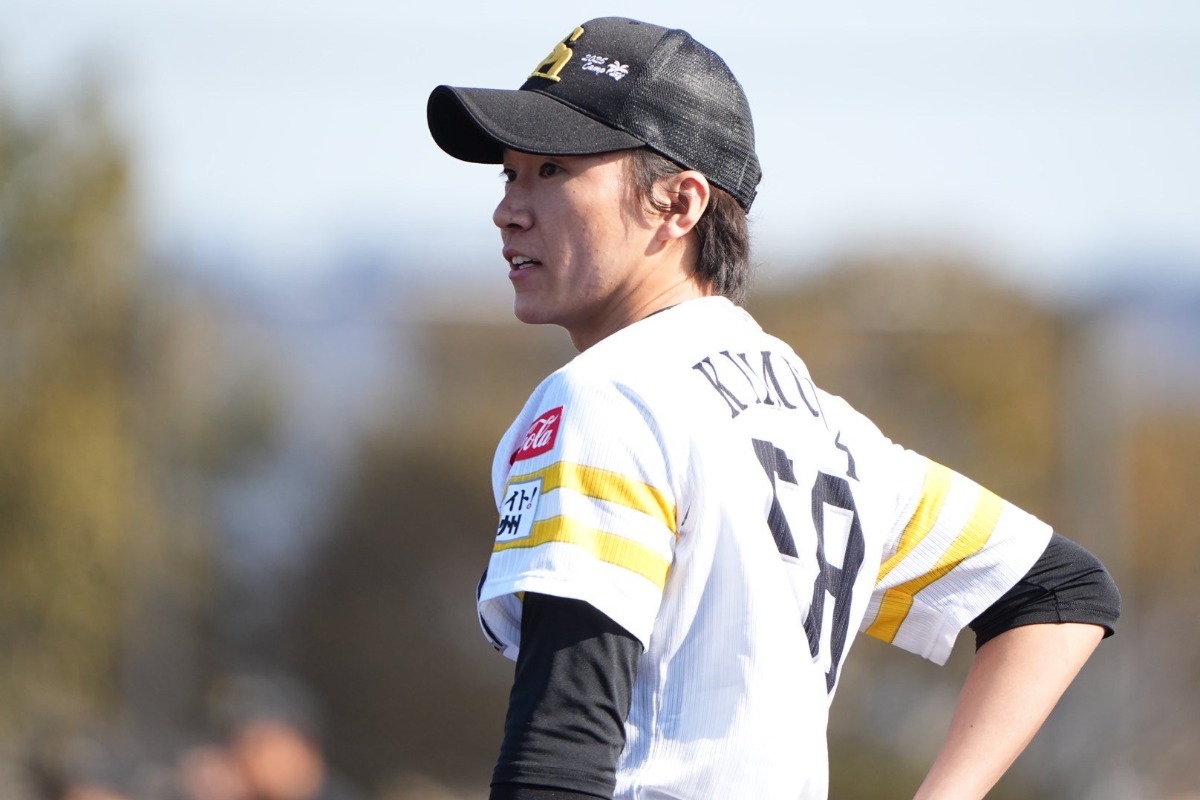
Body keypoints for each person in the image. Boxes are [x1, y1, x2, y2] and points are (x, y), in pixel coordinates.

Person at [426, 16, 1120, 800]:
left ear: (678, 203)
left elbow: (560, 754)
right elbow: (1060, 592)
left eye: (552, 170)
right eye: (509, 174)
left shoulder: (608, 397)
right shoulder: (828, 428)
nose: (510, 209)